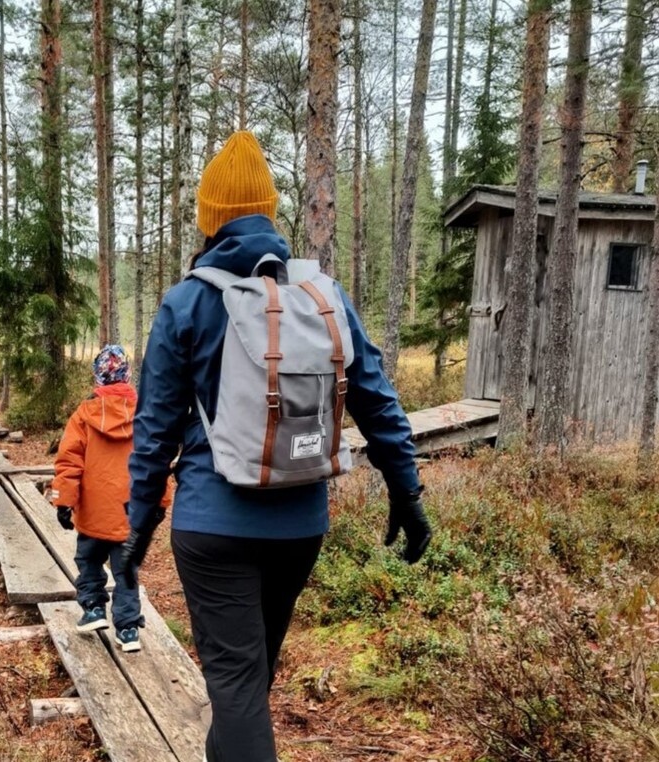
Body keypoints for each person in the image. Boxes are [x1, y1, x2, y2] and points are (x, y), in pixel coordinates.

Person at [122, 131, 431, 761]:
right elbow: (375, 397)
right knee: (247, 686)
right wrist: (406, 491)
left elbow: (153, 431)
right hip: (299, 524)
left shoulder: (186, 303)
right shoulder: (321, 298)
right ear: (269, 214)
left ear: (210, 220)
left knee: (236, 686)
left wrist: (135, 531)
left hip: (214, 526)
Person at [49, 345, 169, 652]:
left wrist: (63, 501)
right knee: (126, 569)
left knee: (88, 560)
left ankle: (93, 609)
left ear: (98, 377)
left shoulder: (84, 414)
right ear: (128, 374)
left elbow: (69, 461)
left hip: (93, 512)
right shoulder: (146, 413)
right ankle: (128, 629)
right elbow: (158, 459)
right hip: (132, 512)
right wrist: (160, 503)